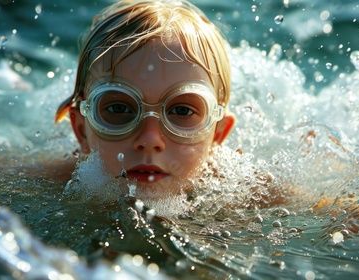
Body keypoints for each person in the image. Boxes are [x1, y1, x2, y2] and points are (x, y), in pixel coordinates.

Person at [55, 0, 236, 199]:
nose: (149, 140)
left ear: (217, 134)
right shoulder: (45, 185)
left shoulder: (251, 199)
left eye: (181, 111)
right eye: (118, 109)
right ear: (82, 130)